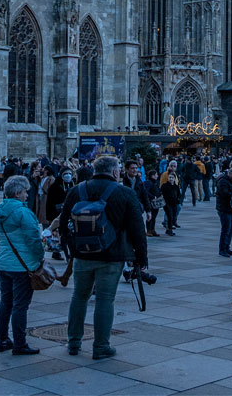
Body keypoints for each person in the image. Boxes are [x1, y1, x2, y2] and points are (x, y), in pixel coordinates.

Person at [60, 152, 149, 361]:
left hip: (82, 254)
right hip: (112, 255)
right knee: (105, 300)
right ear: (116, 171)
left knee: (79, 297)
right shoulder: (125, 193)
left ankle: (73, 342)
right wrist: (141, 257)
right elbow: (138, 228)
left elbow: (63, 224)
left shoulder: (76, 190)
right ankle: (100, 346)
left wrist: (73, 248)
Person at [0, 174, 44, 356]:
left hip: (4, 263)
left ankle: (2, 339)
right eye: (24, 192)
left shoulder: (0, 211)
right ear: (16, 193)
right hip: (22, 266)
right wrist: (40, 257)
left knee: (5, 302)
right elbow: (33, 240)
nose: (27, 196)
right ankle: (20, 343)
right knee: (20, 305)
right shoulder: (24, 213)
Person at [215, 164, 232, 257]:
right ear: (231, 174)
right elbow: (225, 194)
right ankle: (222, 249)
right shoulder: (223, 181)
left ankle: (227, 247)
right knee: (226, 229)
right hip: (224, 208)